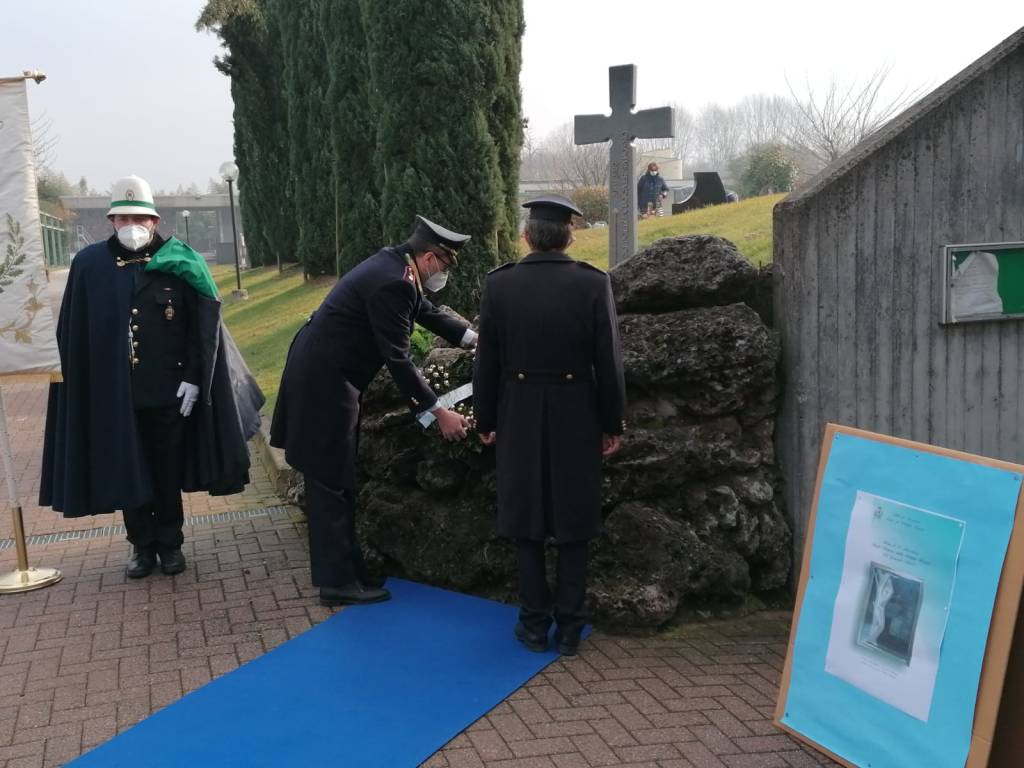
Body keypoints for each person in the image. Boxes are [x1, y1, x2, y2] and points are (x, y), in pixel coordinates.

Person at [40, 175, 263, 579]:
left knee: (165, 472)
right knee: (128, 469)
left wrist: (196, 377)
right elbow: (76, 332)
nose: (131, 225)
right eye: (122, 217)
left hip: (168, 392)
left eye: (139, 217)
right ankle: (141, 547)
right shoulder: (90, 266)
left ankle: (171, 544)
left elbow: (203, 327)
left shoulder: (181, 261)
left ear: (156, 220)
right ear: (110, 220)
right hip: (115, 395)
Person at [270, 215, 478, 607]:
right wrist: (438, 411)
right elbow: (398, 359)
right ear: (431, 258)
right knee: (330, 480)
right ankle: (337, 584)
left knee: (339, 477)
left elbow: (425, 310)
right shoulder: (393, 281)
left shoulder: (397, 266)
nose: (444, 274)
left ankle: (348, 568)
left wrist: (472, 338)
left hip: (329, 376)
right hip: (326, 384)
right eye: (446, 266)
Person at [473, 194, 627, 656]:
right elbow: (609, 361)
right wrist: (612, 421)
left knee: (526, 518)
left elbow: (488, 362)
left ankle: (535, 624)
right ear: (569, 237)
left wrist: (486, 417)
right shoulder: (591, 283)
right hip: (576, 408)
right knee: (575, 517)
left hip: (518, 407)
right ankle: (571, 627)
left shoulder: (499, 285)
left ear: (527, 237)